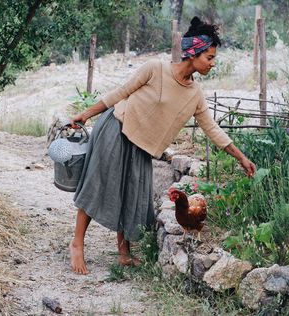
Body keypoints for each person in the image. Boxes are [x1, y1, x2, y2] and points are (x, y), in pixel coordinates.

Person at [69, 16, 256, 274]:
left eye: (213, 58)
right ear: (193, 53)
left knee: (130, 197)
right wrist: (86, 114)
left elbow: (212, 129)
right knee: (98, 185)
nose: (212, 64)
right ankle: (77, 244)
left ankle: (124, 252)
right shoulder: (155, 68)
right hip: (117, 129)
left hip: (142, 149)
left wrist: (241, 157)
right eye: (209, 57)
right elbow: (119, 93)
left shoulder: (195, 95)